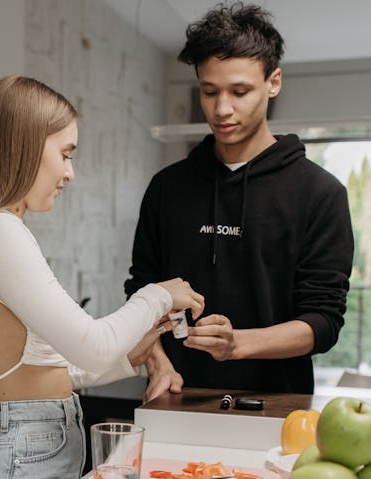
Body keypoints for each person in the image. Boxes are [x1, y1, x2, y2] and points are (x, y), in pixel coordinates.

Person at [0, 75, 205, 479]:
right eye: (65, 153)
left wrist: (141, 352)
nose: (70, 172)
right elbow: (91, 345)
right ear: (23, 144)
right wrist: (156, 294)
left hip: (22, 462)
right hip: (15, 474)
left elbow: (55, 369)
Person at [125, 2, 354, 400]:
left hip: (278, 408)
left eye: (240, 91)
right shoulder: (167, 187)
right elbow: (140, 292)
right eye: (209, 92)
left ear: (274, 82)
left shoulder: (320, 194)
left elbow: (323, 321)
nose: (222, 109)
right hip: (176, 397)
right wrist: (157, 362)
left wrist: (238, 344)